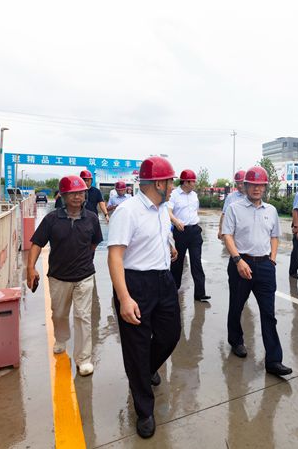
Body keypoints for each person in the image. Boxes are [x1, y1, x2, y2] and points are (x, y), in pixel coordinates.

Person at [107, 156, 181, 439]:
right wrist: (124, 298)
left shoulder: (162, 209)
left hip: (164, 280)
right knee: (136, 346)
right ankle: (144, 410)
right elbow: (115, 257)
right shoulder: (127, 211)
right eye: (171, 182)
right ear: (159, 183)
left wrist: (169, 246)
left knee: (170, 334)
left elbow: (158, 235)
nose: (173, 187)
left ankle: (144, 370)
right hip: (135, 283)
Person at [27, 175, 103, 376]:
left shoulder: (92, 218)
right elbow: (37, 243)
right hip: (58, 276)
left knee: (83, 316)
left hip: (84, 276)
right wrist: (30, 268)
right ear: (63, 195)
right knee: (59, 313)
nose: (78, 197)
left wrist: (83, 258)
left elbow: (94, 242)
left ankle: (83, 358)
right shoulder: (52, 219)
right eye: (73, 193)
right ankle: (61, 339)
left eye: (81, 193)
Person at [222, 165, 292, 377]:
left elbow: (274, 236)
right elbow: (227, 235)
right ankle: (236, 340)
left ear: (265, 187)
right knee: (236, 306)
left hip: (265, 267)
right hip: (240, 265)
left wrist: (272, 259)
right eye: (253, 185)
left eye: (261, 185)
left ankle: (274, 360)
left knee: (269, 314)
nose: (257, 189)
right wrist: (238, 260)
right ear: (245, 186)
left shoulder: (271, 210)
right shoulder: (234, 208)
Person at [168, 169, 210, 302]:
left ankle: (200, 293)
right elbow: (168, 211)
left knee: (196, 262)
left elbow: (194, 211)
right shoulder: (174, 195)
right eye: (193, 182)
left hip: (195, 232)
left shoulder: (194, 195)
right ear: (185, 182)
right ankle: (173, 290)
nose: (195, 184)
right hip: (180, 232)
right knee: (177, 263)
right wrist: (176, 221)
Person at [218, 170, 246, 239]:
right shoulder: (230, 197)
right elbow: (224, 214)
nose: (239, 186)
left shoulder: (252, 197)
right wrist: (220, 230)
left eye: (241, 183)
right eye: (237, 183)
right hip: (232, 232)